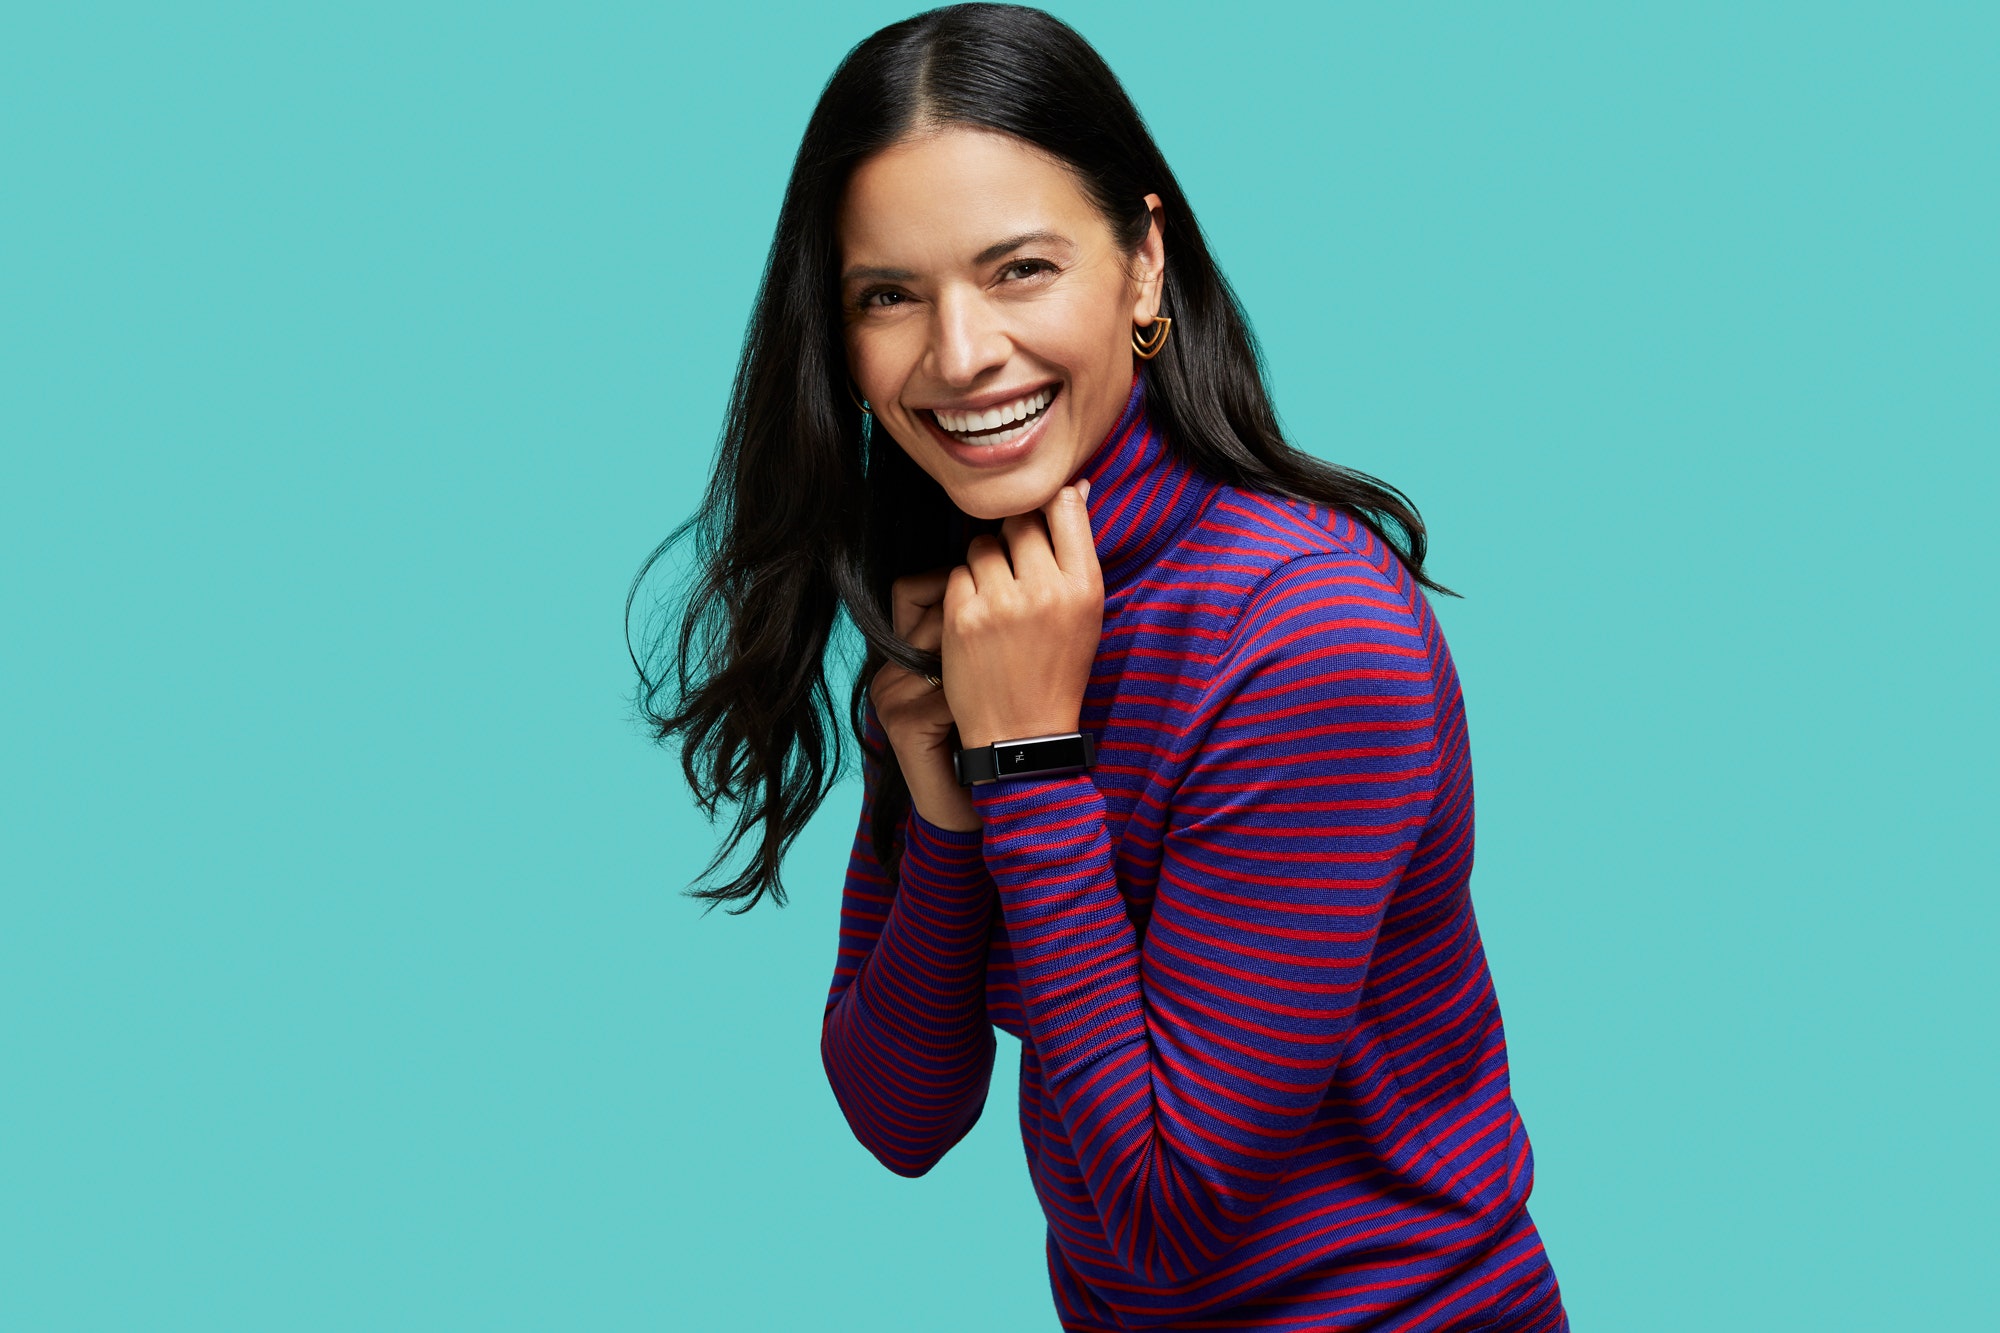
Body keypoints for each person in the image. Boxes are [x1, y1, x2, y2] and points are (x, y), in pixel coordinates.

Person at [631, 5, 1568, 1329]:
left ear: (1141, 267)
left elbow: (1170, 1214)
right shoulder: (983, 600)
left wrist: (1025, 758)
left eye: (1019, 269)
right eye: (889, 295)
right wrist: (950, 811)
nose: (960, 354)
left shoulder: (1307, 634)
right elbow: (899, 1113)